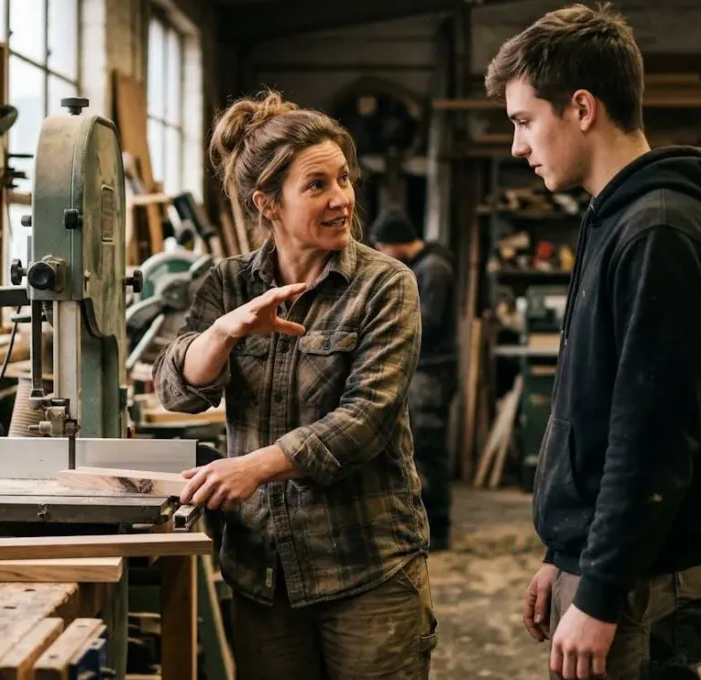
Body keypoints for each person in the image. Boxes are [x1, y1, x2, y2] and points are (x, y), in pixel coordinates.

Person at [486, 5, 701, 680]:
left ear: (581, 108)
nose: (517, 146)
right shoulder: (617, 218)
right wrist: (566, 553)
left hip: (643, 582)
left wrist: (598, 591)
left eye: (524, 121)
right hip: (619, 565)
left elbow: (651, 437)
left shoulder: (660, 232)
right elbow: (597, 415)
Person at [152, 90, 436, 679]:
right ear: (268, 204)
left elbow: (367, 419)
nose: (342, 199)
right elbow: (177, 392)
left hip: (366, 567)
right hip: (263, 571)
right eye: (317, 185)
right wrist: (225, 331)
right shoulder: (228, 283)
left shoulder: (385, 285)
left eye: (344, 179)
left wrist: (254, 467)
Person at [371, 210, 457, 551]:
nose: (382, 253)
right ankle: (428, 526)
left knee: (429, 451)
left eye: (383, 246)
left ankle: (439, 529)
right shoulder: (424, 266)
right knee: (420, 448)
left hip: (432, 373)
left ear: (397, 242)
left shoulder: (433, 269)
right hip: (424, 371)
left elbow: (426, 323)